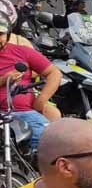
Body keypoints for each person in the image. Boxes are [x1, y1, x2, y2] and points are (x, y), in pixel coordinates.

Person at [0, 15, 61, 148]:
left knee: (48, 141)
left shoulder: (22, 52)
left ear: (8, 34)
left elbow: (54, 73)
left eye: (0, 34)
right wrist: (4, 79)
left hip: (23, 112)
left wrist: (41, 99)